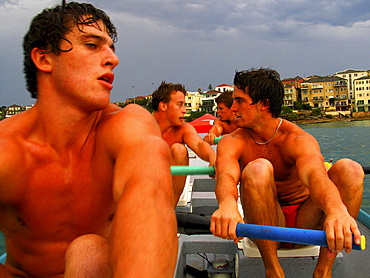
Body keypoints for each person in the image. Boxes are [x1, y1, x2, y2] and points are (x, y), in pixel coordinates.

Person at [0, 2, 177, 277]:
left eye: (111, 48)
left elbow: (148, 188)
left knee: (89, 252)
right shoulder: (7, 148)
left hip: (94, 269)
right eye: (93, 45)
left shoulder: (128, 125)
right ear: (44, 59)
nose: (113, 59)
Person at [210, 68, 363, 278]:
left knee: (351, 169)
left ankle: (323, 270)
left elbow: (315, 175)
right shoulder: (232, 141)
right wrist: (227, 204)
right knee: (258, 168)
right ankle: (273, 271)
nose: (233, 107)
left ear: (264, 104)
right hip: (266, 222)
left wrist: (336, 210)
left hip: (307, 221)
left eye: (240, 101)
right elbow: (226, 174)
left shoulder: (297, 139)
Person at [152, 82, 216, 207]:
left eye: (184, 105)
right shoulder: (144, 126)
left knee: (179, 149)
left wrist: (213, 158)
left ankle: (169, 210)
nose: (184, 110)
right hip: (142, 185)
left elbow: (198, 144)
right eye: (180, 105)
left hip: (166, 190)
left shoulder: (184, 129)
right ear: (163, 106)